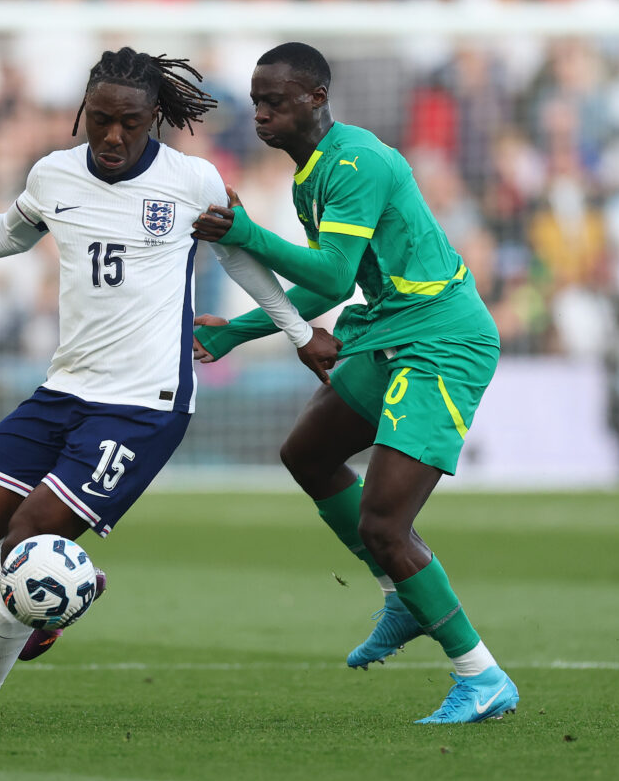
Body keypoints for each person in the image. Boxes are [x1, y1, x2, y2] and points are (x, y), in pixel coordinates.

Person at [0, 47, 340, 726]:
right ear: (83, 113)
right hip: (65, 390)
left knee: (28, 537)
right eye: (101, 120)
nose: (113, 136)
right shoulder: (53, 174)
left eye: (131, 123)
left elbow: (244, 259)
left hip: (145, 406)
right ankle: (59, 585)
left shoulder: (192, 181)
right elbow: (8, 234)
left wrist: (298, 332)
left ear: (156, 119)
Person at [191, 42, 518, 724]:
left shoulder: (357, 160)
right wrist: (234, 335)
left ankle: (480, 674)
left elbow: (332, 276)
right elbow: (326, 287)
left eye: (275, 100)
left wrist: (247, 233)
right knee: (306, 453)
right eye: (255, 100)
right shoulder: (312, 173)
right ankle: (401, 595)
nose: (260, 113)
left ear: (316, 97)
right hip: (388, 330)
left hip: (441, 340)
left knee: (386, 523)